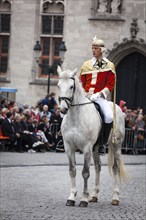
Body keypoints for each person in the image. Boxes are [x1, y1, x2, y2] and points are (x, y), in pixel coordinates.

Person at [80, 35, 116, 154]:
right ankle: (63, 137)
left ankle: (102, 143)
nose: (93, 51)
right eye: (92, 48)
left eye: (96, 48)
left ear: (101, 50)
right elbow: (82, 82)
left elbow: (110, 84)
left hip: (99, 97)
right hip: (86, 96)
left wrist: (100, 94)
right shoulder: (86, 65)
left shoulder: (109, 65)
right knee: (69, 111)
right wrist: (83, 94)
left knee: (109, 116)